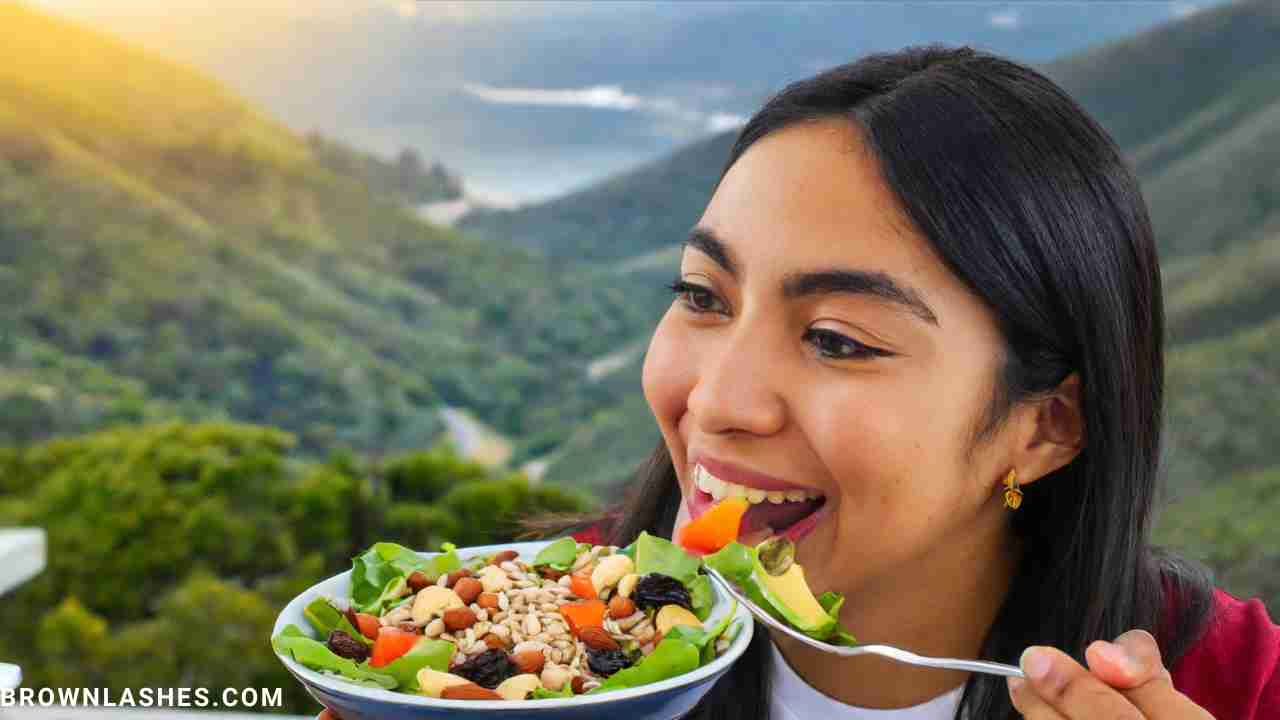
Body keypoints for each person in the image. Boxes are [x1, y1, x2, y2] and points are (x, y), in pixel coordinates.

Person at [317, 45, 1279, 720]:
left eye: (837, 340)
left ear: (1047, 424)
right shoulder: (502, 631)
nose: (719, 402)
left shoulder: (1237, 686)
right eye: (702, 294)